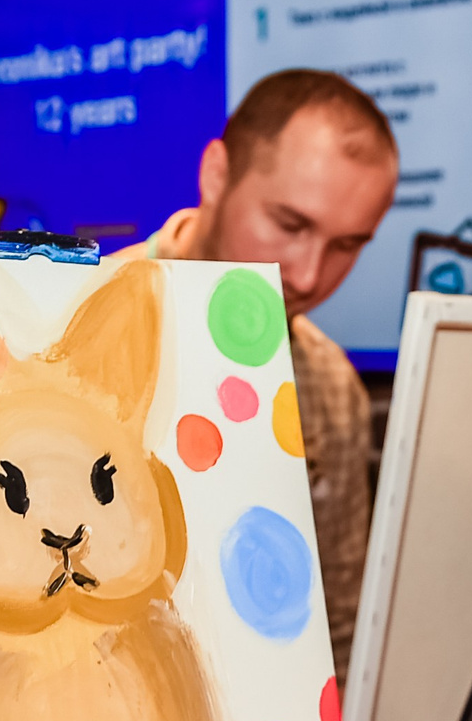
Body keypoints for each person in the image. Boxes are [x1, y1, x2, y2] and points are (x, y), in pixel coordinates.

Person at [115, 67, 397, 679]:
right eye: (290, 225)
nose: (307, 274)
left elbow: (337, 626)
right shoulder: (75, 321)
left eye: (348, 245)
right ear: (217, 175)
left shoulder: (328, 383)